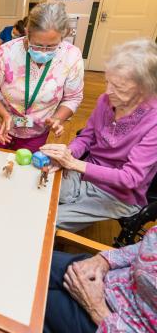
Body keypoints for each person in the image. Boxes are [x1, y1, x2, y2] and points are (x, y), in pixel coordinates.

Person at [41, 39, 157, 232]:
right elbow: (87, 137)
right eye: (107, 82)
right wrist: (67, 154)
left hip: (117, 194)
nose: (107, 92)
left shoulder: (153, 121)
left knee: (45, 223)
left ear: (145, 89)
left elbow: (131, 178)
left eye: (119, 87)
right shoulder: (106, 100)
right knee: (37, 194)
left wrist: (73, 164)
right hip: (85, 173)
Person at [0, 2, 84, 153]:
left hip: (36, 134)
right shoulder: (7, 52)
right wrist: (4, 115)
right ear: (27, 32)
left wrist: (57, 118)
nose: (43, 52)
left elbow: (73, 97)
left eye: (51, 46)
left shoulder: (71, 56)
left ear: (63, 36)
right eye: (36, 45)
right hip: (0, 125)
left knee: (25, 173)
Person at [44, 225, 157, 332]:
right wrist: (104, 260)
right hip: (109, 274)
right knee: (34, 261)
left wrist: (97, 309)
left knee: (32, 306)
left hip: (114, 320)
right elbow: (148, 244)